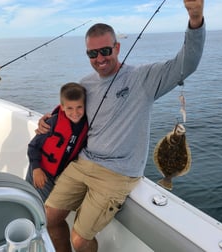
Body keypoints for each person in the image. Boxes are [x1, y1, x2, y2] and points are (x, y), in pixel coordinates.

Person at [37, 1, 205, 251]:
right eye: (92, 54)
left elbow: (185, 65)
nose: (100, 58)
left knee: (79, 239)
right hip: (83, 163)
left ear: (117, 47)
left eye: (105, 50)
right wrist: (47, 120)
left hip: (118, 173)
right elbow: (68, 113)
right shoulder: (85, 84)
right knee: (48, 216)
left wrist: (195, 19)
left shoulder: (143, 79)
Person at [26, 82, 88, 202]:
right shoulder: (52, 122)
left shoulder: (85, 124)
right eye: (70, 108)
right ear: (62, 107)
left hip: (59, 175)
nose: (75, 113)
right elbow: (33, 147)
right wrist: (36, 169)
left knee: (49, 207)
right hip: (41, 172)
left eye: (79, 107)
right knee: (32, 201)